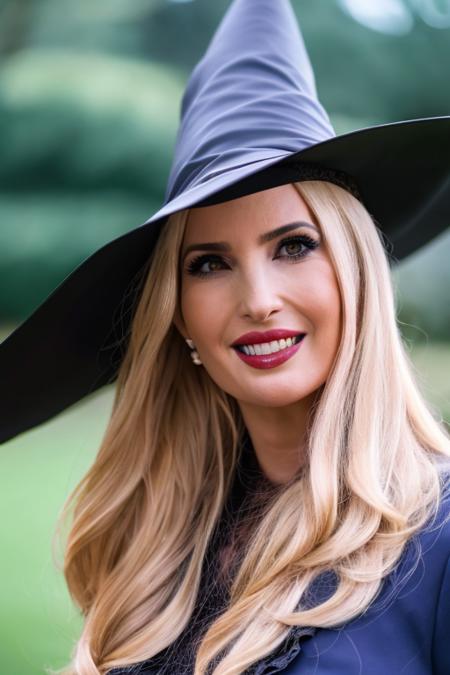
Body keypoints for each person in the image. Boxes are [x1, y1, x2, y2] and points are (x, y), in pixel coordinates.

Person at [1, 1, 449, 674]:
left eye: (294, 246)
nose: (259, 301)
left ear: (356, 276)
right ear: (178, 316)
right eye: (209, 263)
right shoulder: (158, 545)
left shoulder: (439, 536)